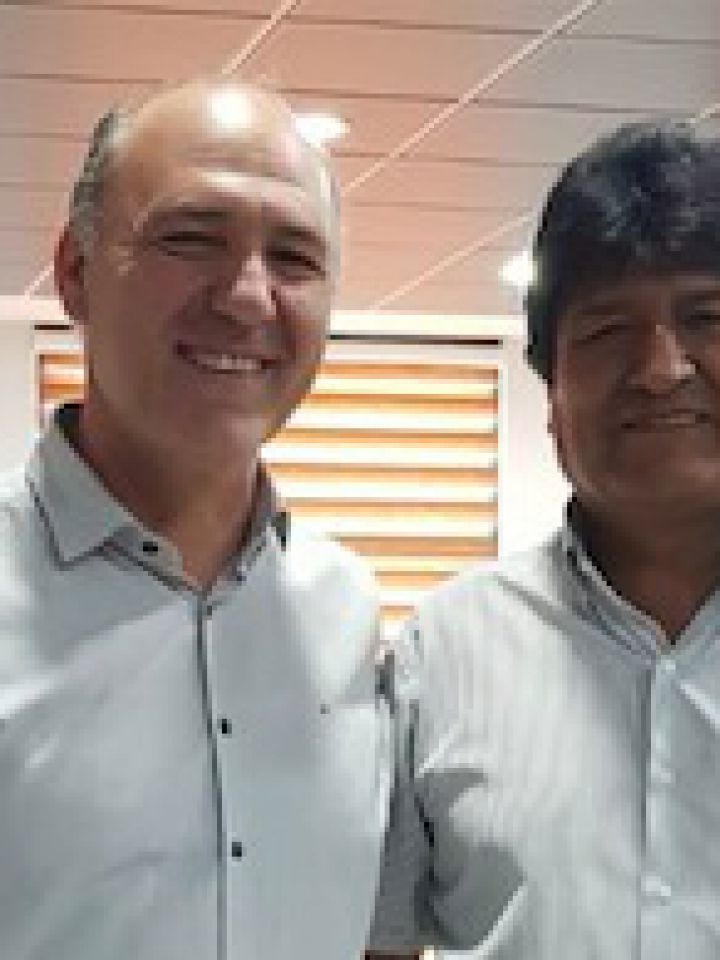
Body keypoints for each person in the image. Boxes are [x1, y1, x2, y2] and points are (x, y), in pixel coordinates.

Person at [0, 80, 390, 960]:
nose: (248, 297)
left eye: (295, 257)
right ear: (75, 272)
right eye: (190, 238)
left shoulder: (345, 610)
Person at [368, 121, 720, 959]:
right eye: (608, 331)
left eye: (705, 317)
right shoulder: (441, 654)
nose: (661, 369)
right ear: (551, 393)